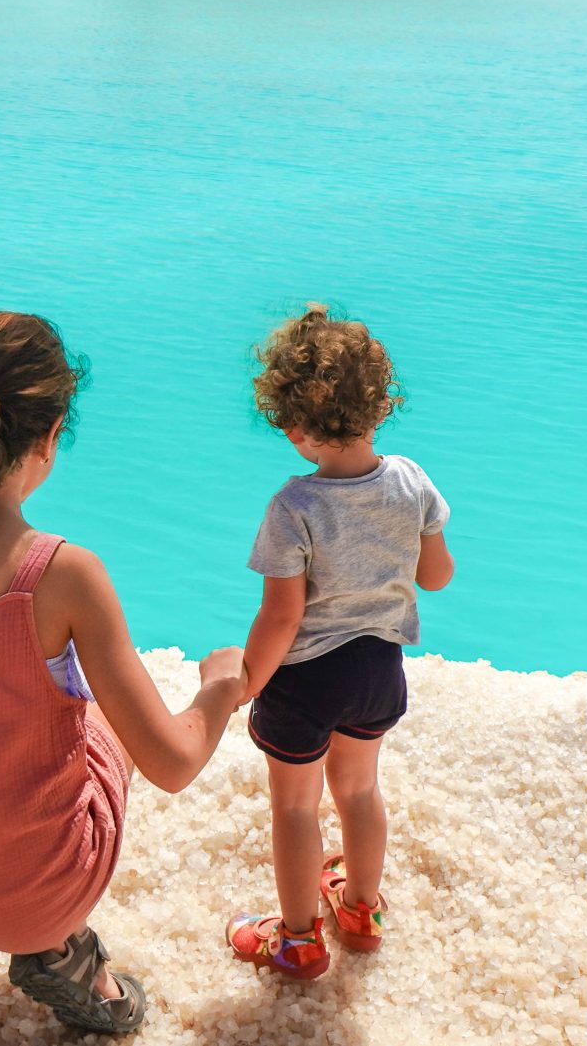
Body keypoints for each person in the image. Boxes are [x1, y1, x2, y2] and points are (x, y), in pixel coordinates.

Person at [0, 311, 245, 1034]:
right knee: (99, 720)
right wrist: (220, 691)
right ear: (49, 434)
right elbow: (174, 760)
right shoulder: (66, 575)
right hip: (44, 895)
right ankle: (65, 957)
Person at [224, 304, 454, 980]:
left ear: (295, 429)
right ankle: (359, 908)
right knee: (359, 791)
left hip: (304, 680)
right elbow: (436, 576)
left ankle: (297, 940)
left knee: (295, 805)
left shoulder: (296, 505)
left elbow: (282, 616)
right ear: (381, 404)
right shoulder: (411, 481)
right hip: (378, 669)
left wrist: (247, 680)